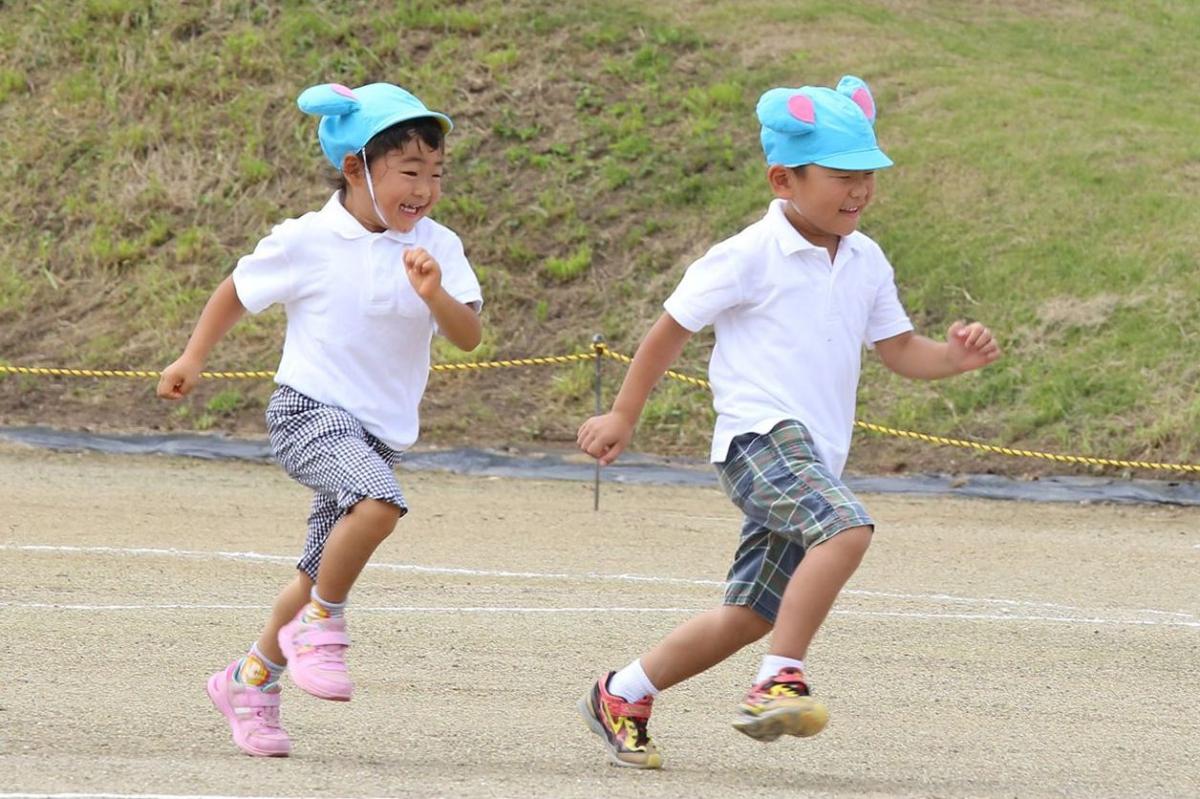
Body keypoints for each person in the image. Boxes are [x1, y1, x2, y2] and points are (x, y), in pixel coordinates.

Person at [576, 75, 1000, 769]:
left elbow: (899, 349)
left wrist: (954, 357)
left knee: (751, 612)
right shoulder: (747, 254)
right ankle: (779, 677)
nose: (860, 190)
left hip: (811, 459)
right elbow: (668, 330)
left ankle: (621, 691)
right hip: (759, 441)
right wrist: (624, 411)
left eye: (868, 175)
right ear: (784, 179)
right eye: (842, 175)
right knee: (846, 525)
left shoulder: (866, 259)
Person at [157, 82, 483, 757]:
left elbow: (469, 334)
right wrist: (192, 356)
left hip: (376, 434)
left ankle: (249, 679)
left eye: (435, 173)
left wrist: (434, 291)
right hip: (308, 411)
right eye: (410, 171)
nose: (424, 188)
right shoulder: (307, 239)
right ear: (356, 168)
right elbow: (235, 292)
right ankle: (323, 626)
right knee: (379, 503)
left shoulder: (437, 246)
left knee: (314, 568)